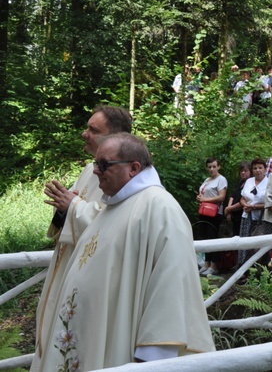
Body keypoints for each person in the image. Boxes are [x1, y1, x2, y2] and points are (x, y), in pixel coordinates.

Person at [30, 133, 215, 372]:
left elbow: (171, 287)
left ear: (134, 168)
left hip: (124, 353)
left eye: (103, 164)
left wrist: (153, 358)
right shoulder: (113, 205)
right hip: (92, 342)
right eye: (96, 164)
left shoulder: (160, 208)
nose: (96, 171)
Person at [36, 106, 133, 368]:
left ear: (115, 135)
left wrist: (74, 206)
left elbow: (114, 226)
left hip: (92, 280)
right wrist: (63, 208)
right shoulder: (89, 170)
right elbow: (74, 217)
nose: (84, 134)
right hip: (66, 266)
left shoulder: (124, 174)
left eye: (93, 130)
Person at [196, 157, 228, 276]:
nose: (212, 169)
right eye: (209, 167)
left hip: (214, 213)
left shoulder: (221, 179)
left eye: (214, 166)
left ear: (218, 166)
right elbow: (204, 194)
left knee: (212, 237)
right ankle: (206, 263)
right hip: (204, 211)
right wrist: (200, 198)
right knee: (204, 237)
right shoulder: (207, 180)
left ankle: (214, 265)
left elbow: (221, 197)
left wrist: (205, 199)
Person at [237, 158, 268, 266]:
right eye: (255, 168)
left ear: (265, 169)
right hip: (247, 216)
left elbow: (269, 203)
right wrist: (245, 205)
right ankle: (243, 268)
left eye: (260, 168)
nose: (257, 170)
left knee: (257, 245)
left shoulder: (268, 182)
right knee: (245, 243)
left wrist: (254, 206)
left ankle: (256, 269)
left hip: (261, 218)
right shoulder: (249, 181)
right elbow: (242, 198)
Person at [224, 161, 252, 238]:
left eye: (245, 171)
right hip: (234, 215)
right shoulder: (240, 182)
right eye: (241, 171)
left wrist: (229, 209)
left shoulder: (250, 184)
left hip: (242, 214)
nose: (243, 173)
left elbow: (243, 201)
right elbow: (232, 197)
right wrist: (229, 210)